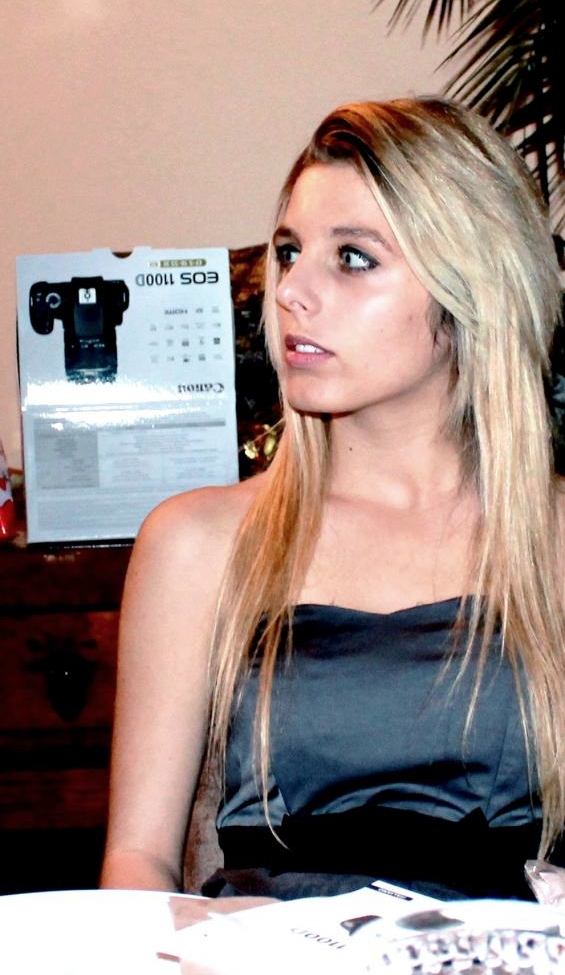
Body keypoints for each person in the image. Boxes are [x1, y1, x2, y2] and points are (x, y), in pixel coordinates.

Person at [100, 96, 565, 902]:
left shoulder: (552, 539)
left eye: (352, 257)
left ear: (471, 290)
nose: (290, 291)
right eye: (289, 251)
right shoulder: (198, 541)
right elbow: (138, 863)